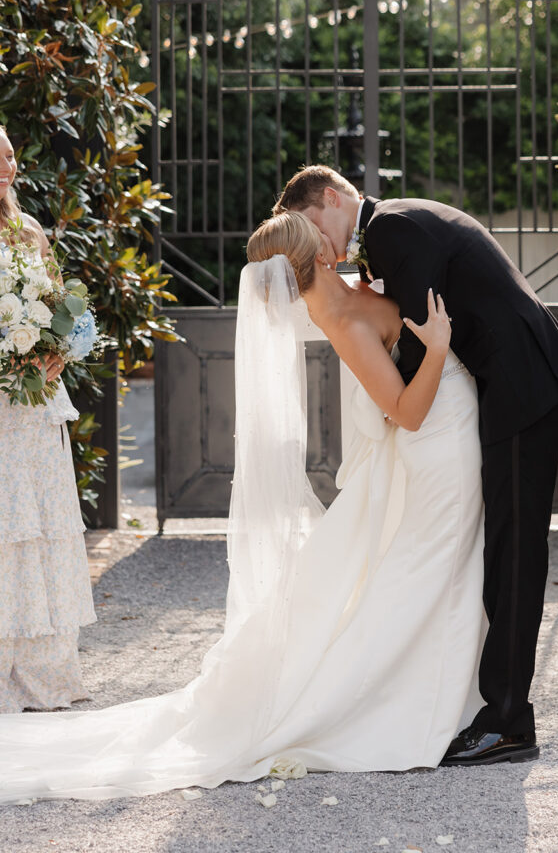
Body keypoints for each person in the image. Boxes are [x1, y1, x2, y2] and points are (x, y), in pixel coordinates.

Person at [0, 211, 487, 803]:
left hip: (447, 437)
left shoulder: (350, 293)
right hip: (436, 443)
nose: (341, 243)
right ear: (322, 259)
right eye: (329, 240)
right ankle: (419, 701)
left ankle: (448, 692)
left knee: (435, 573)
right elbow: (405, 412)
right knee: (430, 573)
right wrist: (437, 348)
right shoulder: (342, 319)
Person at [274, 166, 558, 765]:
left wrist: (388, 388)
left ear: (333, 199)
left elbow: (418, 336)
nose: (318, 245)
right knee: (504, 548)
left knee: (515, 551)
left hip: (521, 383)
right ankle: (494, 704)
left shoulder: (391, 229)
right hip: (506, 386)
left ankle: (509, 722)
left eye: (314, 225)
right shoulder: (388, 233)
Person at [0, 126, 96, 713]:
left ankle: (41, 669)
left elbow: (64, 312)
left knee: (38, 525)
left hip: (34, 404)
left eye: (9, 153)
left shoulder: (29, 231)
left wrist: (56, 354)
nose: (7, 165)